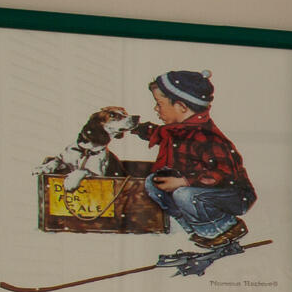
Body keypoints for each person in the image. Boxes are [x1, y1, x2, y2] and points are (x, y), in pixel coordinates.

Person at [101, 70, 257, 249]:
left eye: (159, 104)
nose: (156, 109)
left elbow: (222, 173)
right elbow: (156, 133)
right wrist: (133, 127)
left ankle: (225, 228)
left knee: (183, 194)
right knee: (154, 182)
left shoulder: (206, 137)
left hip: (232, 194)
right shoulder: (177, 130)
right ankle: (195, 230)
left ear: (182, 107)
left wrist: (183, 181)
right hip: (202, 191)